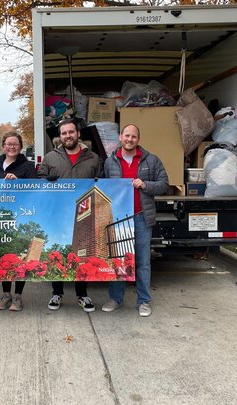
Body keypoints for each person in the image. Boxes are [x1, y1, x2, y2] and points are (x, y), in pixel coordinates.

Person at [101, 124, 169, 317]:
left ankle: (144, 301)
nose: (130, 139)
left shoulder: (152, 160)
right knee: (118, 260)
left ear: (138, 139)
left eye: (134, 137)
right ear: (120, 137)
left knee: (142, 262)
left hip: (141, 218)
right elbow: (105, 186)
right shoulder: (110, 161)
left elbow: (164, 184)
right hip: (120, 219)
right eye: (127, 135)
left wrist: (145, 184)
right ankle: (116, 299)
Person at [37, 119, 102, 312]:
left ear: (78, 134)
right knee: (58, 252)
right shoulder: (50, 158)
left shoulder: (93, 158)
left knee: (81, 253)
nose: (68, 136)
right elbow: (39, 182)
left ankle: (82, 295)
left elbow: (104, 183)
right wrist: (45, 181)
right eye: (64, 133)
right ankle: (57, 293)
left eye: (71, 132)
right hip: (57, 214)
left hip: (84, 213)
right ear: (60, 136)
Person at [0, 131, 38, 312]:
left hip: (22, 216)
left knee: (20, 254)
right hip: (1, 215)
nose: (11, 147)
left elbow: (35, 189)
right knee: (5, 254)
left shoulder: (27, 166)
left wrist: (19, 182)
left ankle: (18, 296)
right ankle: (5, 294)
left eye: (15, 144)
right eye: (8, 144)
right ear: (3, 146)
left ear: (20, 147)